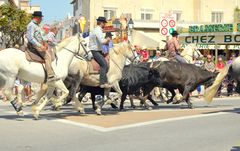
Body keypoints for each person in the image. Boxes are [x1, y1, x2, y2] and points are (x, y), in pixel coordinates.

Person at [26, 11, 58, 82]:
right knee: (47, 56)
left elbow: (42, 35)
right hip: (34, 45)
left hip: (40, 43)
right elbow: (30, 38)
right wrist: (40, 46)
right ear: (37, 18)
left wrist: (45, 42)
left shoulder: (38, 25)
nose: (41, 19)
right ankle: (50, 76)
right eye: (41, 18)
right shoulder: (31, 25)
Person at [89, 16, 111, 88]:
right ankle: (102, 82)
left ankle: (106, 79)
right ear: (101, 23)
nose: (105, 24)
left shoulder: (95, 29)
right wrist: (107, 39)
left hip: (97, 50)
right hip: (95, 51)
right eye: (104, 23)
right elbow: (102, 41)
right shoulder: (98, 30)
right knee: (104, 64)